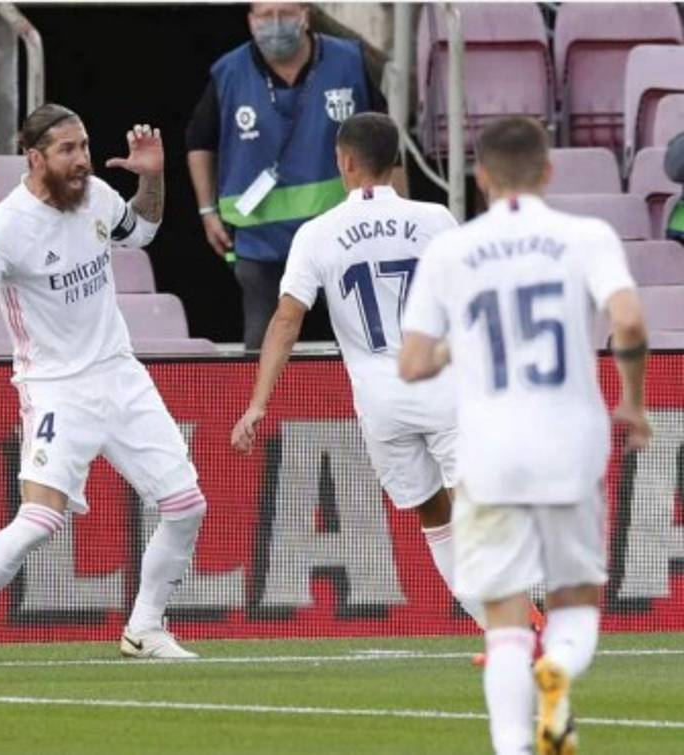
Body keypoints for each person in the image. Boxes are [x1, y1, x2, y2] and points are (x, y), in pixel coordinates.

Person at [0, 104, 206, 663]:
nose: (82, 160)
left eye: (84, 146)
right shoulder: (10, 226)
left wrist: (153, 177)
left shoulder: (95, 196)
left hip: (119, 372)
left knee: (186, 504)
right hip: (57, 387)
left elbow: (142, 231)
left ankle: (145, 628)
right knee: (40, 519)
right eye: (68, 150)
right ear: (34, 157)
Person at [399, 116, 651, 755]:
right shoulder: (585, 235)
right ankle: (560, 667)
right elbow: (627, 318)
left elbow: (411, 363)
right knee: (575, 599)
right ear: (548, 171)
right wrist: (634, 402)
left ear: (480, 177)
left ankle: (512, 747)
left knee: (506, 618)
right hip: (571, 442)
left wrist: (462, 346)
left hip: (490, 452)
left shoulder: (452, 250)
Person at [230, 112, 491, 634]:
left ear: (344, 161)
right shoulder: (436, 218)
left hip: (380, 400)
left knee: (434, 518)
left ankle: (498, 627)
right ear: (396, 161)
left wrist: (258, 402)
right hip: (441, 383)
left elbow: (286, 318)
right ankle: (524, 620)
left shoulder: (317, 233)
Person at [186, 2, 388, 349]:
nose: (276, 23)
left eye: (286, 13)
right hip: (259, 238)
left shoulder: (348, 61)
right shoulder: (228, 72)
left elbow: (384, 139)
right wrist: (207, 212)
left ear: (306, 17)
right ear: (250, 22)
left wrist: (391, 207)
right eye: (266, 15)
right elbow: (199, 141)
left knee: (363, 339)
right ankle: (263, 405)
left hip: (340, 232)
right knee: (262, 343)